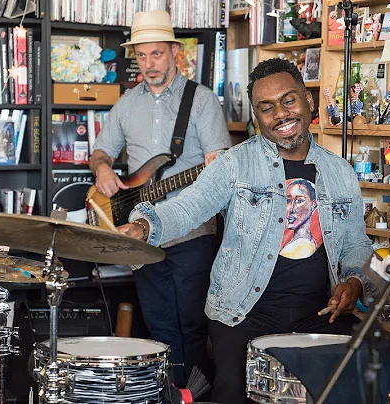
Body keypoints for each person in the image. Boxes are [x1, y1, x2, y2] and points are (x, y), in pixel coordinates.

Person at [118, 57, 382, 403]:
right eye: (267, 108)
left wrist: (354, 282)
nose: (281, 114)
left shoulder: (340, 172)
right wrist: (145, 226)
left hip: (318, 314)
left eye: (289, 100)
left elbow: (356, 245)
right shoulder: (234, 164)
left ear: (309, 101)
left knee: (361, 383)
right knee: (232, 391)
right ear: (257, 118)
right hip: (242, 313)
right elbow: (188, 207)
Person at [88, 9, 231, 391]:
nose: (149, 64)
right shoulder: (127, 103)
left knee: (192, 323)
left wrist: (216, 166)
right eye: (143, 55)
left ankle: (196, 393)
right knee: (158, 324)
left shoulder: (200, 101)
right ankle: (168, 394)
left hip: (192, 232)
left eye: (158, 54)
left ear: (174, 52)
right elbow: (101, 151)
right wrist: (103, 168)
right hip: (142, 234)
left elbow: (219, 167)